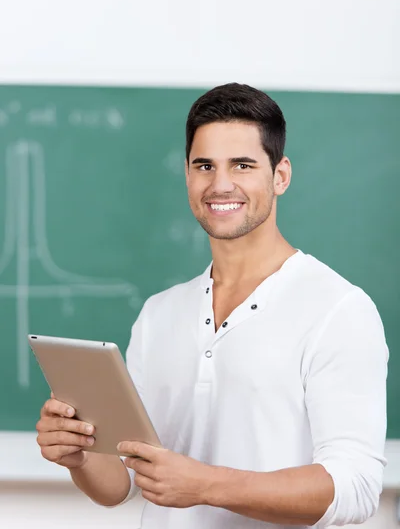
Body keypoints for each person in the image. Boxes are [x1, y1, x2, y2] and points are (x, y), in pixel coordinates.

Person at [36, 83, 389, 528]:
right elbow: (123, 482)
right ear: (187, 174)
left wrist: (207, 485)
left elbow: (354, 488)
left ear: (280, 175)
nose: (221, 184)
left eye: (242, 165)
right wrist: (78, 456)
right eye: (205, 166)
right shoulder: (159, 315)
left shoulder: (338, 310)